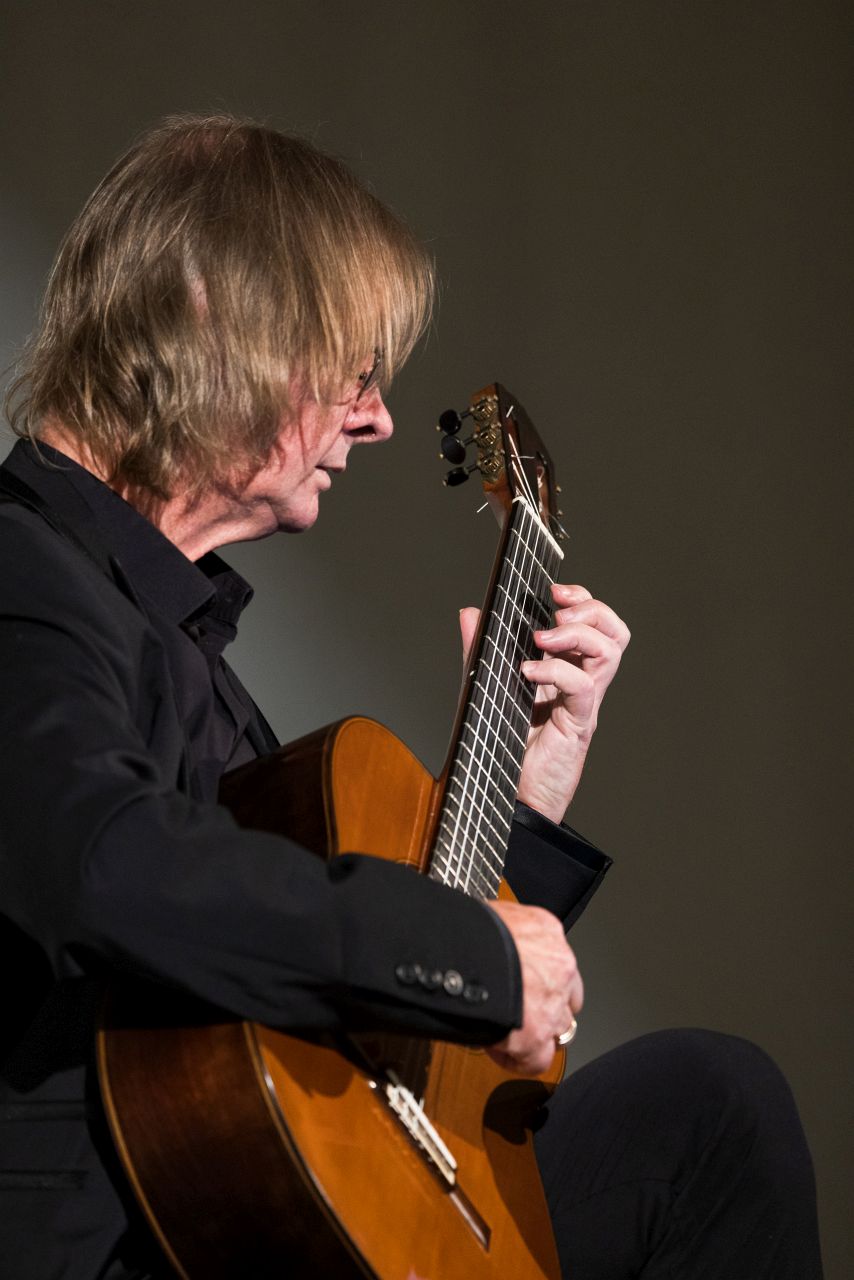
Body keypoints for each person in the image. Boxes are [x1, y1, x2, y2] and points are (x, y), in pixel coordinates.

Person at [0, 115, 821, 1280]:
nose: (377, 415)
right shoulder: (23, 572)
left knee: (706, 1109)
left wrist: (517, 810)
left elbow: (373, 1052)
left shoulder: (193, 666)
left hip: (276, 1209)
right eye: (352, 368)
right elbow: (106, 863)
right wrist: (470, 952)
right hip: (142, 1239)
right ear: (213, 316)